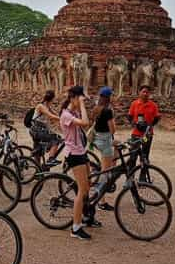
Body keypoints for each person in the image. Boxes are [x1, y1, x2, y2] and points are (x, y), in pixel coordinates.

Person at [60, 86, 95, 240]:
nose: (82, 101)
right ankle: (75, 227)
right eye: (80, 98)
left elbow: (88, 119)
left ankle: (85, 215)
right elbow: (86, 123)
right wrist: (81, 103)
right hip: (74, 154)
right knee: (82, 190)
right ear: (73, 98)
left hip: (81, 151)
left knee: (88, 185)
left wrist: (83, 101)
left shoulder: (74, 112)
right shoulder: (66, 115)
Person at [91, 86, 117, 211]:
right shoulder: (107, 111)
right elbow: (113, 129)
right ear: (108, 97)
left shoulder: (96, 108)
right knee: (105, 173)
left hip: (98, 139)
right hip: (106, 140)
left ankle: (106, 168)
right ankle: (101, 201)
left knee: (116, 150)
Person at [127, 85, 161, 161]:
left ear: (149, 94)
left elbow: (157, 117)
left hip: (147, 135)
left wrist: (150, 126)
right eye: (143, 92)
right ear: (139, 93)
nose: (145, 94)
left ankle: (143, 171)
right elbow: (129, 116)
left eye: (147, 92)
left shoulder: (153, 105)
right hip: (136, 134)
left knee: (145, 154)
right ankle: (131, 172)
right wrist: (134, 124)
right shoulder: (134, 104)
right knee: (133, 154)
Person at [30, 90, 62, 167]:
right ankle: (51, 159)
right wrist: (65, 119)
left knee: (38, 151)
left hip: (41, 130)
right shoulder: (41, 106)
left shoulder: (47, 106)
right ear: (52, 98)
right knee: (56, 139)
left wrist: (62, 120)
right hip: (37, 130)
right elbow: (50, 116)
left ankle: (39, 172)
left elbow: (55, 115)